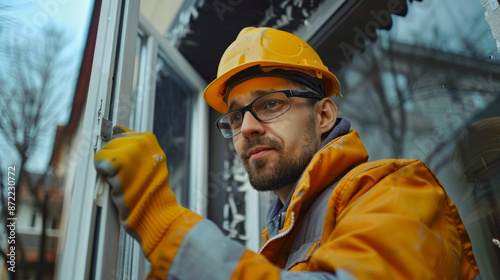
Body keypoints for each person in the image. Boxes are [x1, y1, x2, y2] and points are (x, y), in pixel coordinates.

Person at [94, 27, 479, 279]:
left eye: (271, 104)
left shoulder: (396, 190)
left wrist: (161, 223)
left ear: (324, 114)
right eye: (235, 116)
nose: (246, 127)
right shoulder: (279, 239)